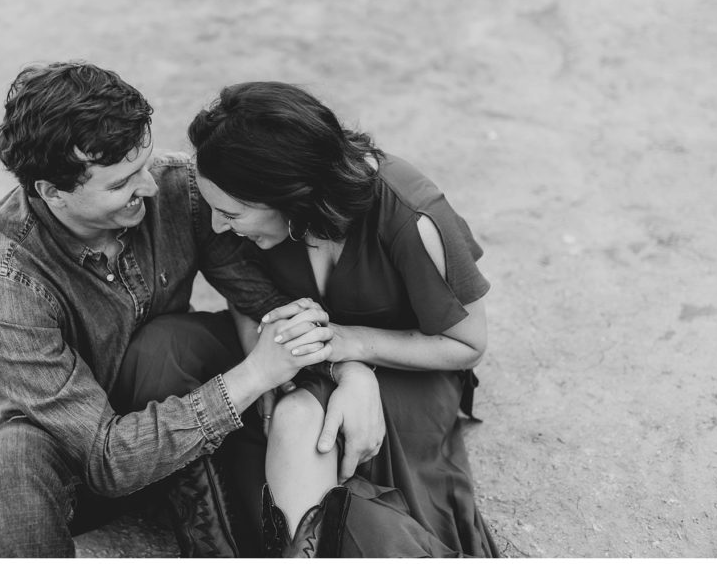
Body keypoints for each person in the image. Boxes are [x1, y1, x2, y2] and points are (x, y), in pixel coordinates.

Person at [0, 61, 381, 558]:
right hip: (82, 449)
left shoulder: (176, 188)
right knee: (6, 466)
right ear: (53, 193)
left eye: (144, 164)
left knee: (173, 341)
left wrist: (352, 368)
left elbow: (262, 299)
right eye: (121, 184)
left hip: (178, 405)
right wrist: (252, 376)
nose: (150, 188)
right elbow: (106, 458)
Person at [188, 81, 501, 557]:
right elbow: (247, 300)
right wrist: (281, 367)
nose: (216, 226)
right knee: (292, 417)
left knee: (299, 423)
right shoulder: (247, 210)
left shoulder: (412, 217)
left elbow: (467, 343)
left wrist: (353, 345)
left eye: (230, 213)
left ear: (289, 198)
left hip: (410, 366)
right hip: (306, 353)